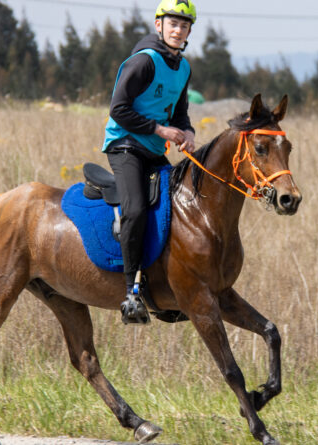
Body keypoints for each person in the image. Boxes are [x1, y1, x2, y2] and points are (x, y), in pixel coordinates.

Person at [102, 0, 197, 324]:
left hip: (154, 150)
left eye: (184, 25)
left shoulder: (183, 68)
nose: (178, 29)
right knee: (137, 210)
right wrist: (159, 129)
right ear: (159, 25)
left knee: (180, 207)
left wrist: (187, 132)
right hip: (125, 146)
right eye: (172, 23)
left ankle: (169, 290)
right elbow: (118, 109)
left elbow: (180, 111)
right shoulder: (144, 61)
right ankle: (131, 293)